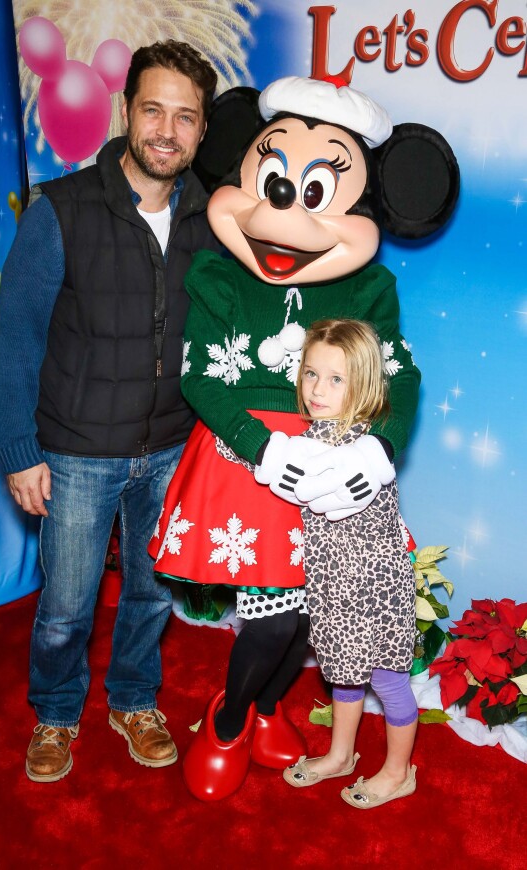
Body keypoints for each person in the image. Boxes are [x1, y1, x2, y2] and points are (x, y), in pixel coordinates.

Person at [149, 75, 457, 801]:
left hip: (339, 473)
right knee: (276, 614)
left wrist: (377, 451)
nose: (285, 213)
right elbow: (201, 378)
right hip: (246, 463)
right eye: (274, 182)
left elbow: (398, 375)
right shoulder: (218, 276)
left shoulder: (367, 289)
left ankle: (262, 709)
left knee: (312, 618)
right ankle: (226, 720)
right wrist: (269, 449)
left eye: (317, 191)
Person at [0, 39, 219, 782]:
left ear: (202, 130)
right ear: (127, 112)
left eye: (186, 117)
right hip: (76, 451)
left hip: (171, 450)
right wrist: (19, 450)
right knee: (65, 605)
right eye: (153, 109)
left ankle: (133, 699)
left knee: (153, 593)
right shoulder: (61, 208)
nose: (166, 129)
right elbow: (17, 339)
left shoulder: (213, 218)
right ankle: (56, 712)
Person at [283, 319, 417, 808]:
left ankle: (399, 771)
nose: (318, 389)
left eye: (335, 379)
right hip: (333, 585)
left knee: (387, 680)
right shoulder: (313, 436)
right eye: (311, 373)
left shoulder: (365, 446)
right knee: (343, 673)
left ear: (362, 384)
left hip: (374, 590)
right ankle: (341, 755)